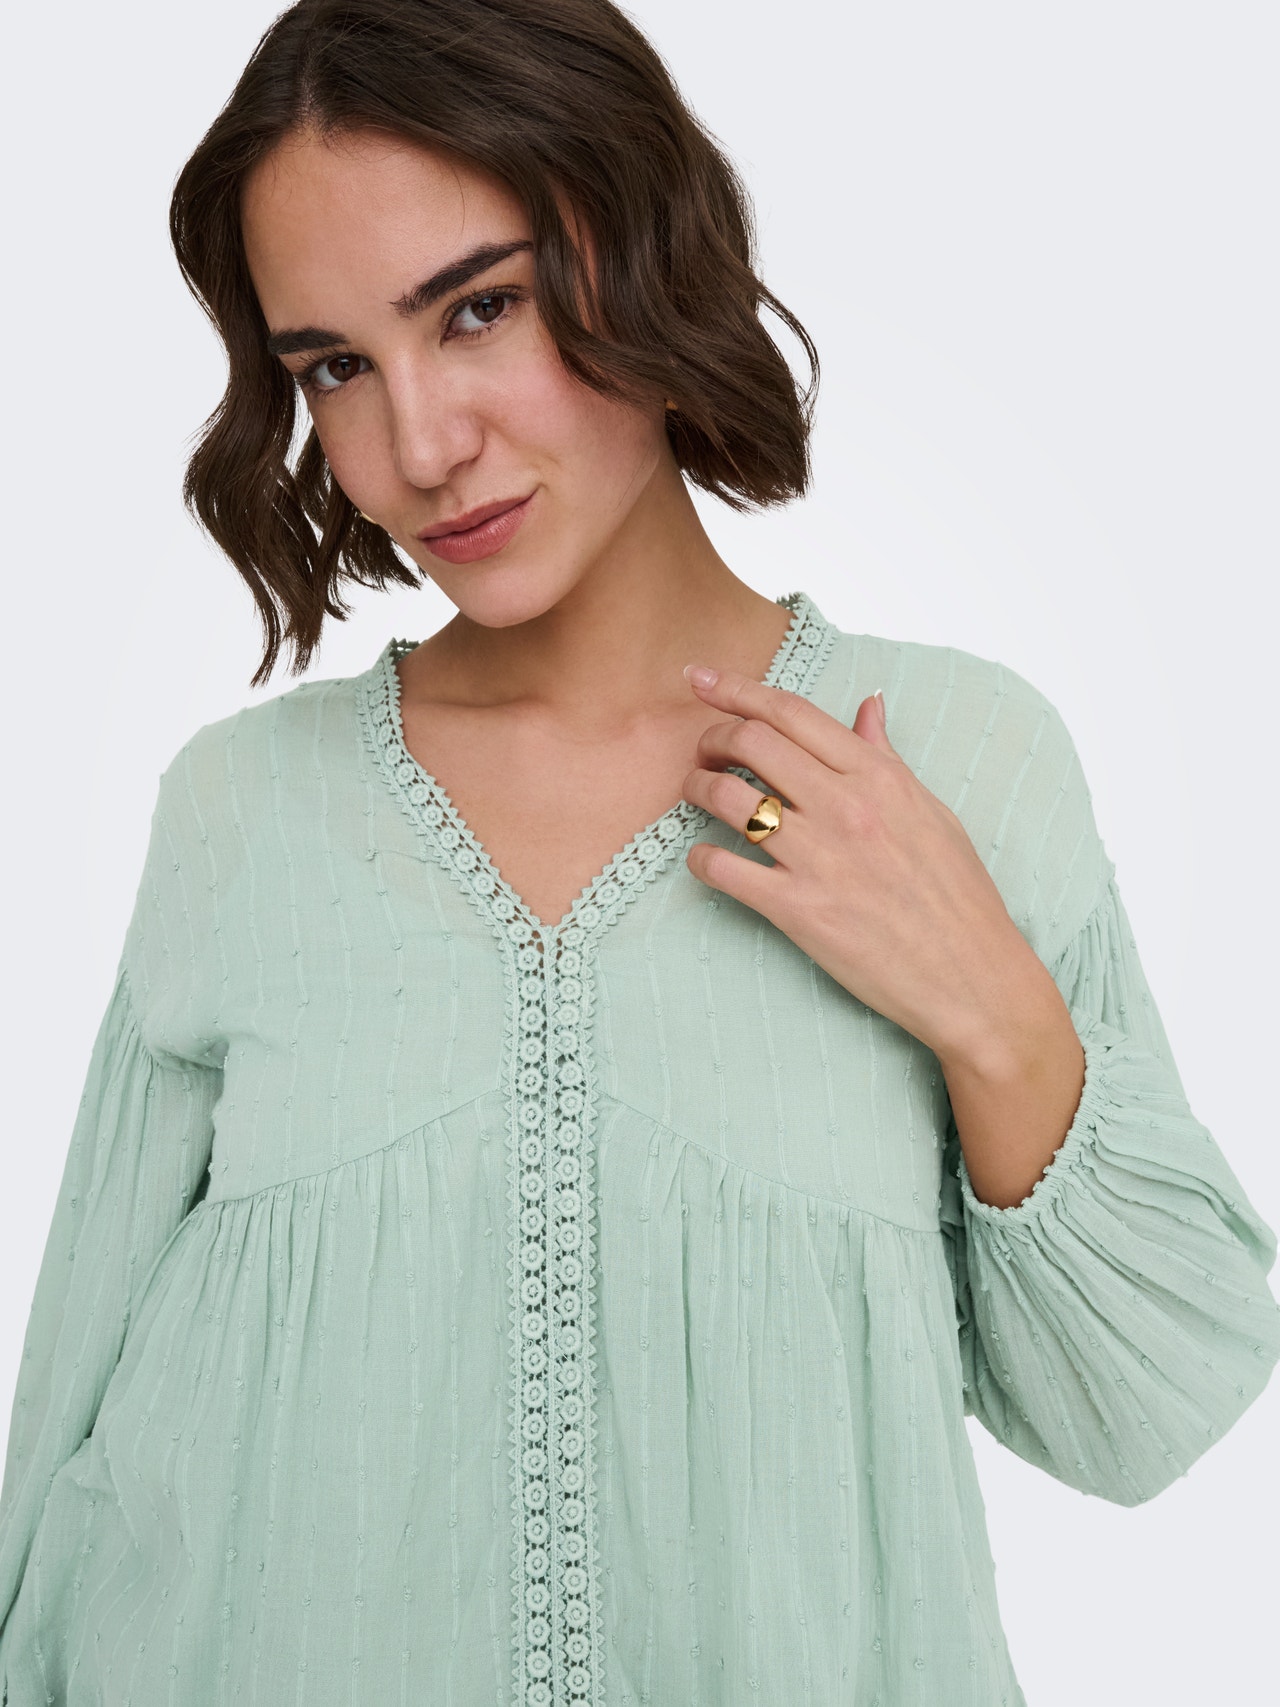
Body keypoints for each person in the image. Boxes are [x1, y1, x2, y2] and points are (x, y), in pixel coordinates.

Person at [1, 0, 1277, 1700]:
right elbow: (66, 1425)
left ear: (640, 246)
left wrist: (988, 1006)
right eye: (335, 368)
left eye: (479, 308)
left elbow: (1146, 1411)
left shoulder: (962, 763)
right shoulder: (242, 813)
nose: (418, 448)